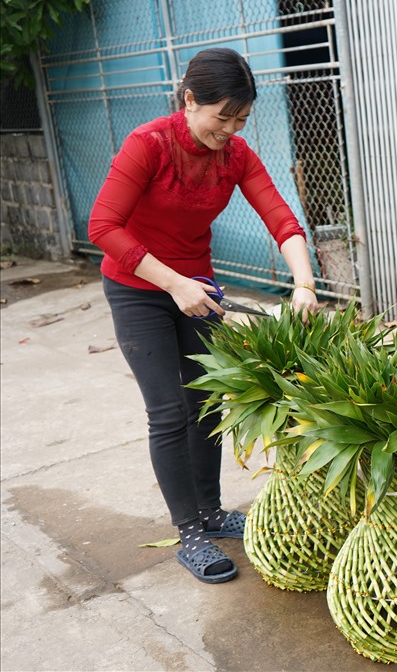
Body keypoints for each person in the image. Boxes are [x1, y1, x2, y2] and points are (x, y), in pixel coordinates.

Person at [88, 48, 321, 584]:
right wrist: (172, 284)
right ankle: (189, 530)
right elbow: (103, 226)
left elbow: (281, 219)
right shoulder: (148, 144)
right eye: (223, 117)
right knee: (168, 411)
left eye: (241, 120)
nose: (231, 130)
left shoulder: (235, 155)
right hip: (139, 287)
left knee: (207, 401)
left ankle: (213, 512)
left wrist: (304, 285)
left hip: (199, 287)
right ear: (190, 100)